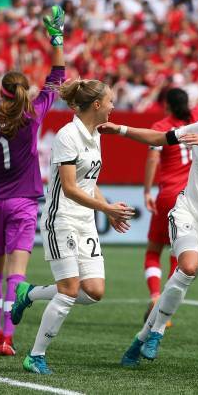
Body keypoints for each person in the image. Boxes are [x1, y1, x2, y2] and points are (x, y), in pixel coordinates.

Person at [98, 79, 198, 366]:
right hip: (187, 211)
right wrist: (120, 129)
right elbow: (159, 139)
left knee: (181, 278)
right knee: (185, 267)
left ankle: (140, 339)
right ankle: (158, 331)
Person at [13, 76, 135, 374]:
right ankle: (35, 356)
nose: (112, 106)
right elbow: (69, 188)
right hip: (62, 220)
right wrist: (106, 207)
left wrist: (106, 211)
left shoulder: (96, 134)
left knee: (93, 291)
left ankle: (28, 293)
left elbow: (88, 182)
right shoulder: (68, 136)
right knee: (68, 289)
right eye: (109, 101)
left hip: (85, 221)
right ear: (96, 104)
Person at [0, 6, 66, 356]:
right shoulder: (32, 117)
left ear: (1, 93)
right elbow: (57, 78)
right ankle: (6, 335)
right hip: (22, 203)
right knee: (15, 275)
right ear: (23, 92)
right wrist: (56, 40)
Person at [142, 41, 198, 324]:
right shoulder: (196, 118)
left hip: (168, 194)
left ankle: (155, 295)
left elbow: (152, 159)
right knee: (179, 250)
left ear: (166, 105)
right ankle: (166, 309)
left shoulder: (160, 128)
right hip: (191, 197)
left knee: (152, 250)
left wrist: (147, 190)